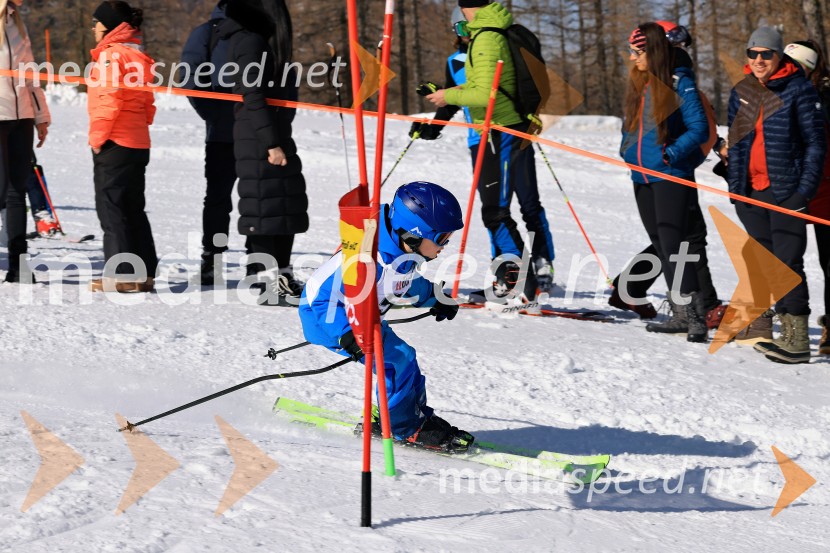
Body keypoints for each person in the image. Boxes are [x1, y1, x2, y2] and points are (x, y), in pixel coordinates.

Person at [299, 182, 473, 451]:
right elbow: (324, 299)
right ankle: (403, 428)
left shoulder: (400, 252)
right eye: (441, 239)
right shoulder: (368, 257)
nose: (444, 247)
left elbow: (405, 282)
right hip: (328, 321)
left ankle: (410, 416)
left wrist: (435, 297)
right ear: (415, 234)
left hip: (363, 318)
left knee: (405, 356)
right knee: (394, 361)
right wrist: (346, 334)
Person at [424, 0, 555, 301]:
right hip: (489, 133)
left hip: (499, 131)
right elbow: (476, 90)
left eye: (461, 23)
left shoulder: (487, 37)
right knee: (495, 211)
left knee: (504, 210)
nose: (462, 31)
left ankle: (524, 280)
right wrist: (436, 120)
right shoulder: (487, 35)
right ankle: (512, 279)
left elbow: (485, 93)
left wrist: (447, 95)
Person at [609, 21, 723, 328]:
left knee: (678, 244)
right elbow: (631, 125)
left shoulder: (677, 80)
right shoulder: (641, 81)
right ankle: (686, 310)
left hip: (669, 173)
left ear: (654, 50)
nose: (632, 58)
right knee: (663, 242)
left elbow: (698, 128)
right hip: (641, 175)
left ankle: (691, 314)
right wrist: (627, 148)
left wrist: (669, 154)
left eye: (637, 52)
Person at [727, 27, 826, 364]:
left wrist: (803, 191)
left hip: (785, 192)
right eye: (752, 53)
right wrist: (736, 190)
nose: (758, 60)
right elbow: (738, 143)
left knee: (787, 264)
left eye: (766, 54)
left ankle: (798, 342)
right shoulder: (741, 91)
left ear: (778, 56)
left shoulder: (799, 90)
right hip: (751, 192)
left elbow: (816, 145)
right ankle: (785, 333)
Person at [218, 0, 308, 305]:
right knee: (264, 207)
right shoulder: (250, 41)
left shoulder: (257, 41)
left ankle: (277, 275)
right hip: (260, 137)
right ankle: (266, 279)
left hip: (270, 132)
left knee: (283, 205)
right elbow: (251, 93)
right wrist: (271, 142)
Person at [87, 1, 158, 293]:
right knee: (133, 207)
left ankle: (123, 274)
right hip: (137, 142)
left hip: (115, 141)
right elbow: (147, 105)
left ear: (109, 26)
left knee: (112, 209)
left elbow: (108, 100)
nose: (93, 27)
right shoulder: (136, 54)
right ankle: (144, 273)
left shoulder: (110, 56)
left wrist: (98, 138)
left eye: (96, 22)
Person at [180, 1, 237, 286]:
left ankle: (262, 261)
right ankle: (211, 258)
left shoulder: (261, 29)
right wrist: (214, 114)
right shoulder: (207, 32)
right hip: (222, 135)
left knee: (259, 202)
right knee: (217, 200)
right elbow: (189, 77)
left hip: (259, 134)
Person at [782, 40, 830, 355]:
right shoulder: (775, 94)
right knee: (783, 258)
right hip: (790, 191)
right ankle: (783, 321)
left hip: (825, 192)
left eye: (794, 65)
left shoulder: (822, 98)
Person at [0, 0, 51, 283]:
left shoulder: (16, 22)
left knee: (16, 192)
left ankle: (18, 265)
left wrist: (40, 115)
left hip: (21, 118)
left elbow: (31, 75)